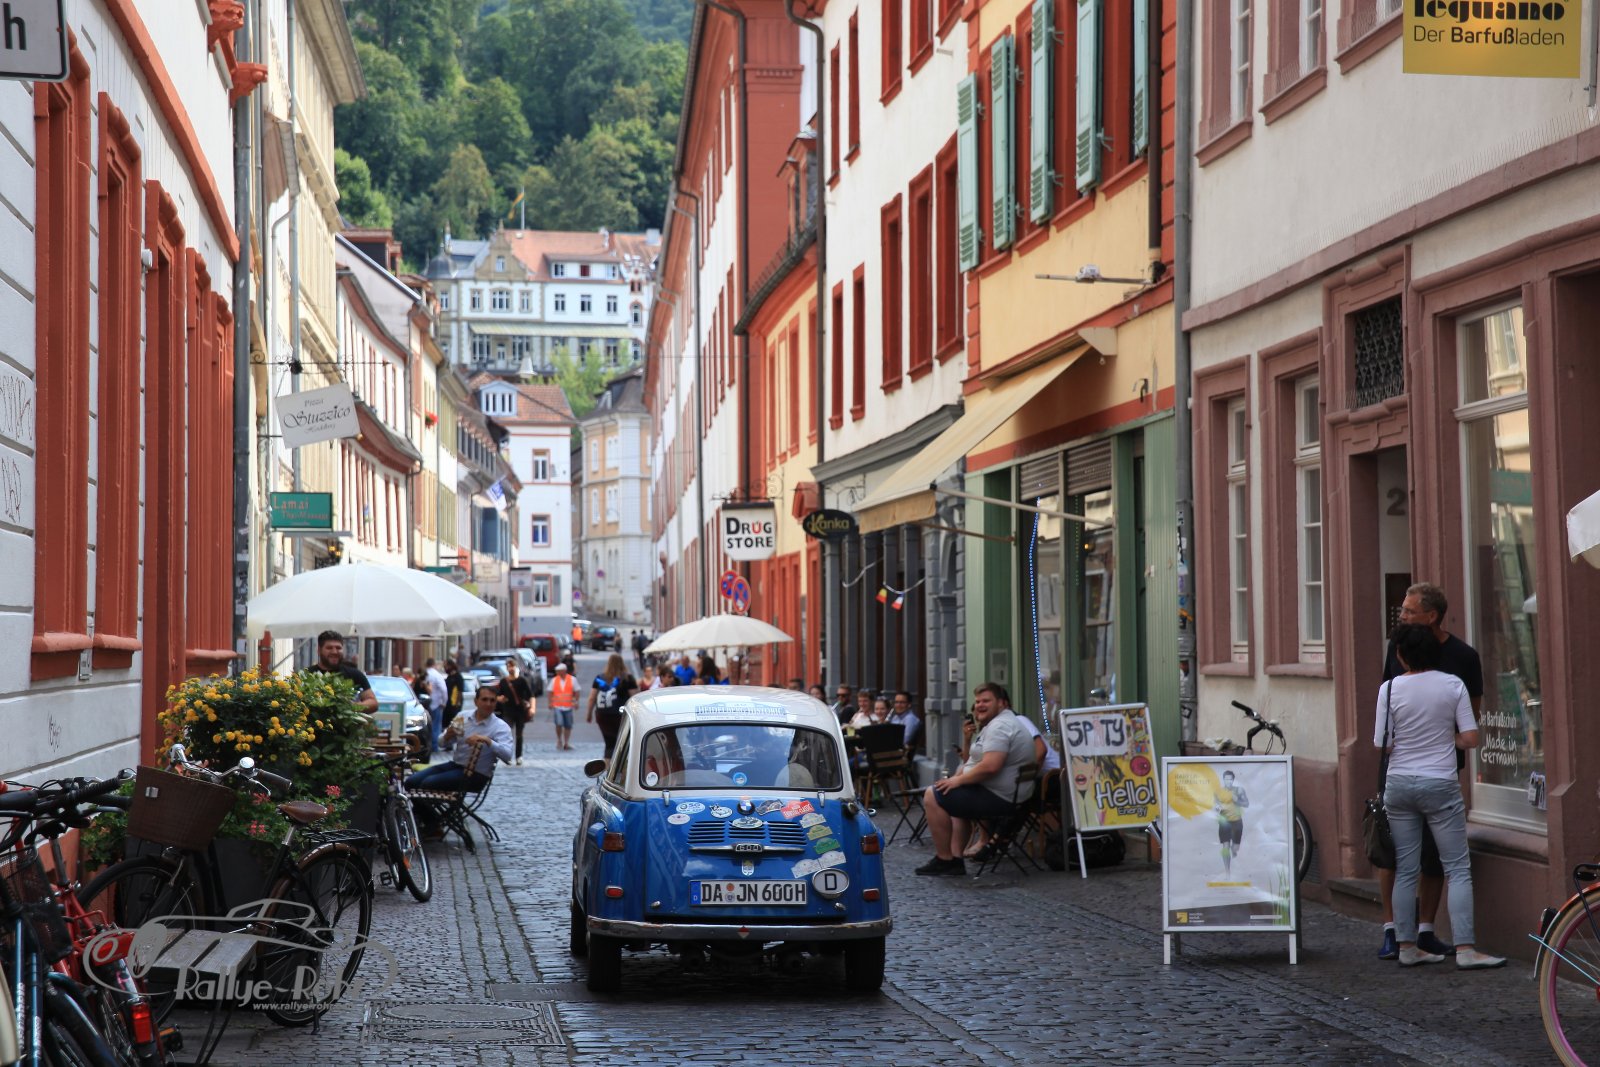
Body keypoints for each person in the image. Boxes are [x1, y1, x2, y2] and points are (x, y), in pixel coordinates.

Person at [1376, 622, 1503, 969]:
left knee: (1406, 868)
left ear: (1402, 656)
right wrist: (1446, 737)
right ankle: (1465, 949)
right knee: (1457, 868)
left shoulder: (1389, 688)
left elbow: (1382, 743)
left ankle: (1406, 947)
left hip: (1399, 782)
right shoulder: (1452, 685)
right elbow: (1471, 738)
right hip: (1439, 782)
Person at [917, 682, 1036, 877]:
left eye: (986, 701)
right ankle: (956, 859)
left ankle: (945, 859)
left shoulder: (1000, 726)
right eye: (978, 701)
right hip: (1007, 795)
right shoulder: (1003, 722)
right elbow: (976, 762)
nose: (980, 705)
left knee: (932, 795)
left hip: (1000, 798)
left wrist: (957, 781)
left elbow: (991, 766)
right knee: (953, 797)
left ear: (1001, 703)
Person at [407, 685, 514, 799]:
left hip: (476, 775)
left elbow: (507, 756)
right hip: (456, 766)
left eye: (492, 700)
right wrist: (448, 735)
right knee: (411, 782)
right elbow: (441, 744)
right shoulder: (463, 716)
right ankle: (423, 811)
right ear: (476, 701)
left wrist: (488, 740)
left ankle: (429, 811)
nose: (488, 704)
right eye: (484, 699)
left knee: (428, 783)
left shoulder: (500, 727)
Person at [306, 631, 378, 711]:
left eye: (338, 648)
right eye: (329, 648)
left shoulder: (354, 674)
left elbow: (373, 702)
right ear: (319, 650)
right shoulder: (307, 675)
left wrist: (351, 707)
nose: (334, 652)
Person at [587, 653, 637, 758]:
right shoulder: (628, 678)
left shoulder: (599, 678)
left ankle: (608, 764)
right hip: (620, 714)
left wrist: (589, 714)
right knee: (622, 741)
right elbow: (635, 698)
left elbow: (592, 697)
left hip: (602, 714)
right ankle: (622, 763)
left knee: (609, 743)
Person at [496, 659, 535, 766]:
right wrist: (500, 699)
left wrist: (532, 708)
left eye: (512, 666)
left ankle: (519, 756)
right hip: (507, 711)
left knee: (519, 734)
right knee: (507, 734)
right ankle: (507, 756)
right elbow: (498, 695)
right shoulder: (504, 682)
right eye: (509, 666)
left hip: (520, 711)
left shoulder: (522, 680)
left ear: (516, 667)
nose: (511, 668)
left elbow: (531, 695)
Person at [1213, 769, 1249, 878]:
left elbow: (1246, 804)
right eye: (1226, 779)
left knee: (1235, 848)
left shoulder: (1239, 790)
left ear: (1233, 780)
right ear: (1223, 780)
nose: (1228, 781)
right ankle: (1227, 872)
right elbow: (1216, 804)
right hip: (1224, 822)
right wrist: (1217, 808)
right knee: (1225, 847)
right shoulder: (1218, 792)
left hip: (1237, 821)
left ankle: (1234, 851)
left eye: (1230, 779)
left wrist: (1237, 800)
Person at [548, 662, 577, 751]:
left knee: (568, 725)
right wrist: (550, 702)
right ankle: (559, 740)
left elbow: (577, 690)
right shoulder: (554, 680)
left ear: (564, 671)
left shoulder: (572, 679)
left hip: (568, 706)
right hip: (557, 706)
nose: (557, 672)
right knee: (559, 723)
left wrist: (576, 701)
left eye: (558, 671)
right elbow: (550, 691)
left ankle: (566, 742)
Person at [423, 658, 448, 753]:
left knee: (426, 726)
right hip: (436, 703)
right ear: (434, 664)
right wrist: (444, 702)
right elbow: (443, 689)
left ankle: (426, 746)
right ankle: (434, 746)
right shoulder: (437, 675)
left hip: (424, 704)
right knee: (436, 726)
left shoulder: (424, 674)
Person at [443, 659, 465, 730]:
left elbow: (460, 691)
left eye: (445, 666)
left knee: (454, 726)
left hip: (454, 705)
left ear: (450, 666)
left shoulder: (458, 677)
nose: (444, 668)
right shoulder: (449, 677)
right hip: (448, 705)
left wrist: (457, 704)